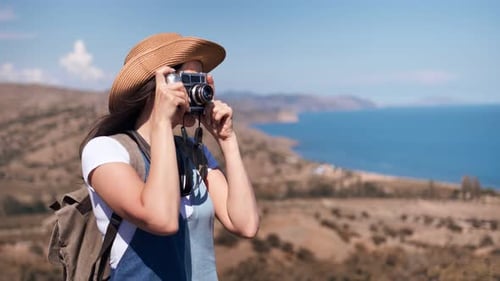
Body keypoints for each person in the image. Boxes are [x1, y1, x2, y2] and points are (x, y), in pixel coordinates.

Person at [79, 33, 259, 280]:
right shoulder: (106, 151)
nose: (199, 89)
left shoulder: (193, 154)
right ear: (157, 87)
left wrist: (227, 141)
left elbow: (245, 224)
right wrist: (162, 122)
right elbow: (162, 220)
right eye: (189, 80)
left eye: (201, 79)